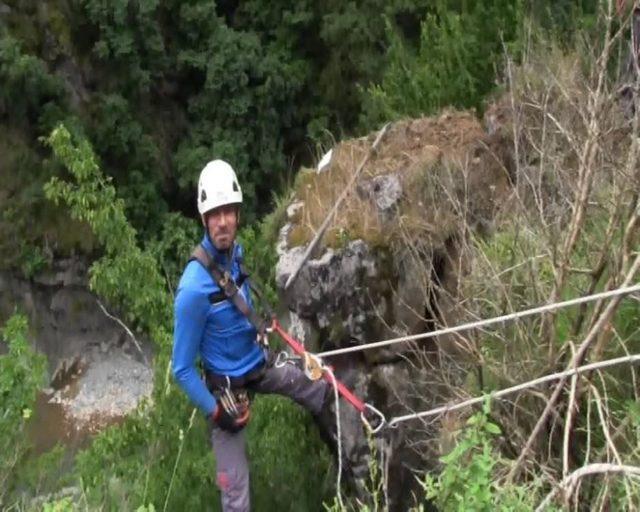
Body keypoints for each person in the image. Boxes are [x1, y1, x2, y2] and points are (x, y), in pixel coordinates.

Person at [172, 159, 328, 512]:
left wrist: (259, 330)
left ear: (238, 215)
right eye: (215, 213)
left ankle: (341, 450)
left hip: (257, 365)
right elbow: (181, 369)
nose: (223, 221)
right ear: (204, 218)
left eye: (229, 211)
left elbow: (236, 305)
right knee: (236, 496)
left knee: (320, 388)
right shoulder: (193, 289)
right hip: (226, 390)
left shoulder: (234, 256)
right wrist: (216, 413)